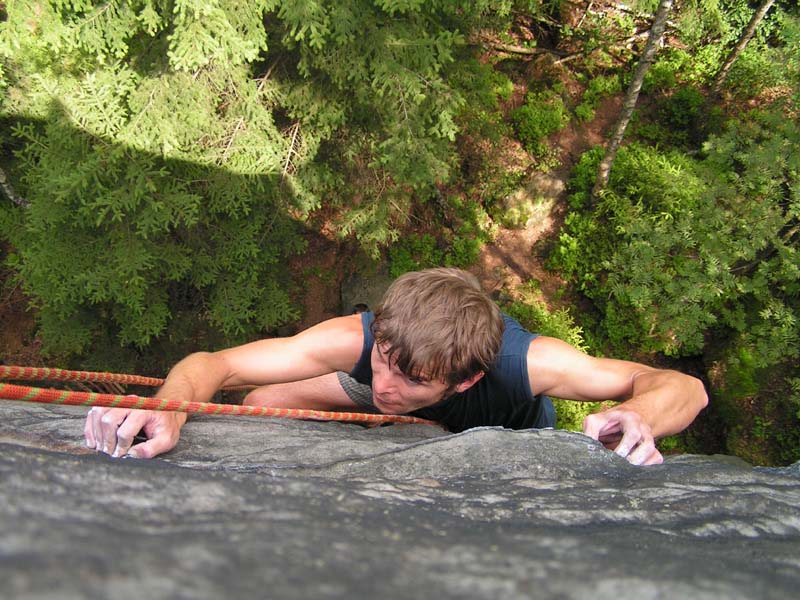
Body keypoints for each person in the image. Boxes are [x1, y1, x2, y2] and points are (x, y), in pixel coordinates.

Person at [84, 268, 708, 465]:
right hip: (403, 420)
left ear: (464, 380)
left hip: (507, 438)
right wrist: (168, 405)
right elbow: (215, 364)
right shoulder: (364, 342)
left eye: (410, 378)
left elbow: (683, 387)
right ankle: (394, 426)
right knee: (258, 404)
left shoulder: (526, 365)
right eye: (383, 360)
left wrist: (638, 415)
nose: (386, 383)